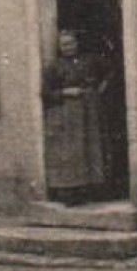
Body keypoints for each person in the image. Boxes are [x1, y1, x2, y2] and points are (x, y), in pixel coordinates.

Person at [41, 30, 111, 204]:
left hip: (91, 110)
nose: (68, 48)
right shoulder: (54, 67)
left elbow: (110, 70)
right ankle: (72, 192)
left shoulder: (90, 60)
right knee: (72, 152)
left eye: (71, 43)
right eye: (64, 45)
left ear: (77, 43)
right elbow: (45, 93)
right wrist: (66, 91)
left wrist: (101, 87)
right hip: (69, 112)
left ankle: (94, 189)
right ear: (59, 47)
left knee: (93, 147)